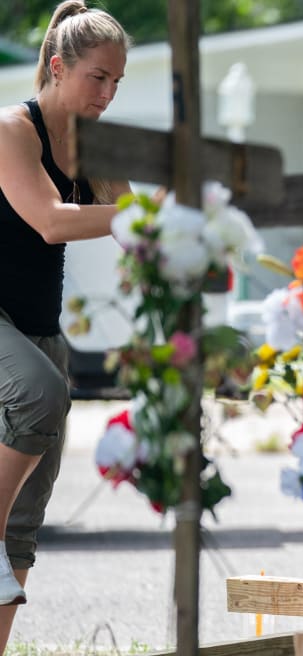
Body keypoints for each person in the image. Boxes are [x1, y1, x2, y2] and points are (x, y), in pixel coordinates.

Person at [0, 1, 131, 649]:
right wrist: (135, 222)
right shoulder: (12, 132)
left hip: (38, 325)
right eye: (96, 78)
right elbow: (50, 220)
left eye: (116, 82)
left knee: (26, 525)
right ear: (57, 66)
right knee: (42, 391)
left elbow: (138, 228)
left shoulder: (90, 148)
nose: (106, 94)